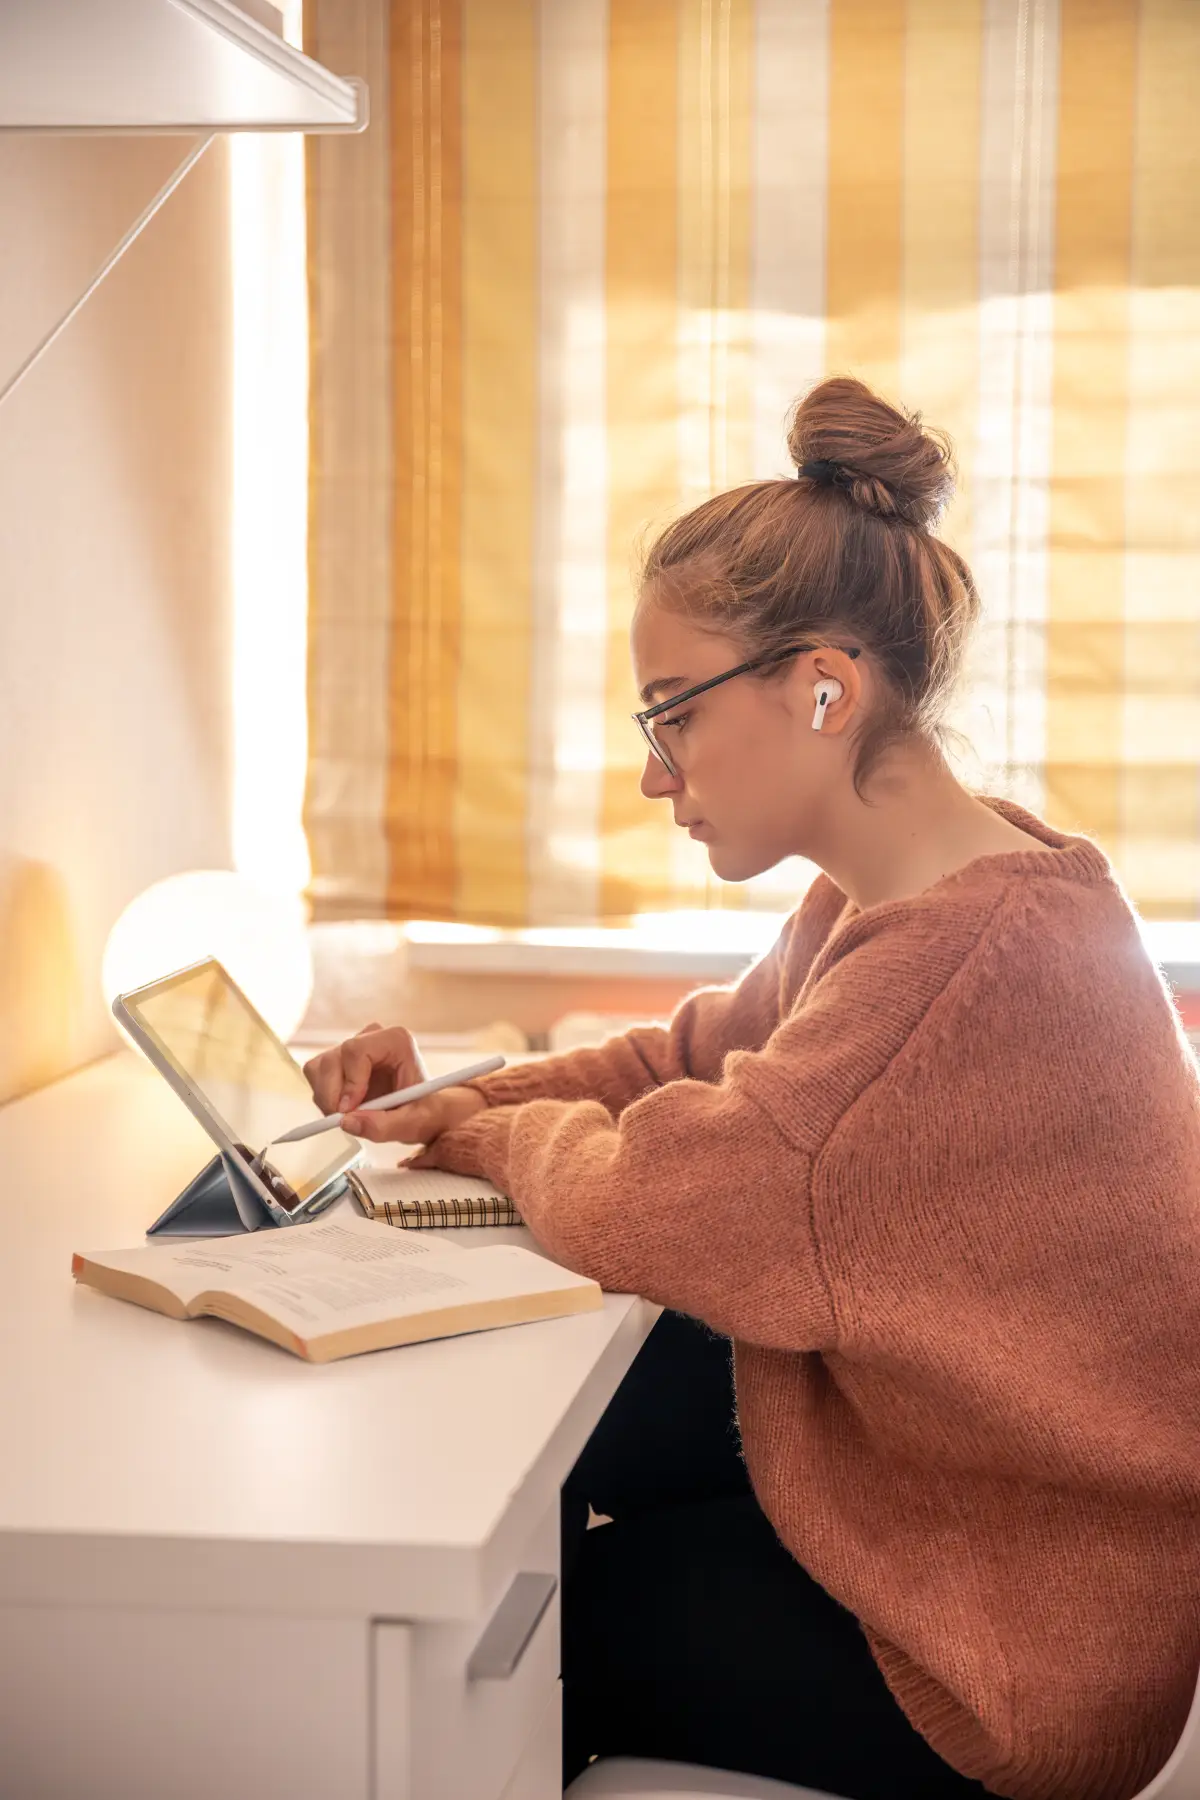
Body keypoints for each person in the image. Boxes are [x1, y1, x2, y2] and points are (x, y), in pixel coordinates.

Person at [303, 378, 1200, 1800]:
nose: (657, 775)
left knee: (539, 1627)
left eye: (672, 717)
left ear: (825, 687)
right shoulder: (935, 888)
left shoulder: (953, 973)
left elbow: (683, 1186)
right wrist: (456, 1101)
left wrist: (486, 1130)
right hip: (967, 1491)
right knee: (588, 1436)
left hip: (1019, 1650)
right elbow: (690, 1061)